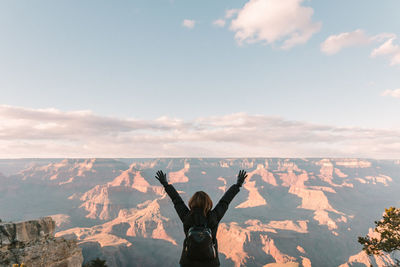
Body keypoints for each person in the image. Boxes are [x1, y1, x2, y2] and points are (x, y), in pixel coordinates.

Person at [155, 169, 248, 267]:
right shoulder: (213, 216)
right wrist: (238, 185)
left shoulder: (187, 216)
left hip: (188, 262)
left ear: (192, 202)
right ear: (208, 203)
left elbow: (176, 200)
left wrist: (165, 184)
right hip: (211, 262)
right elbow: (225, 201)